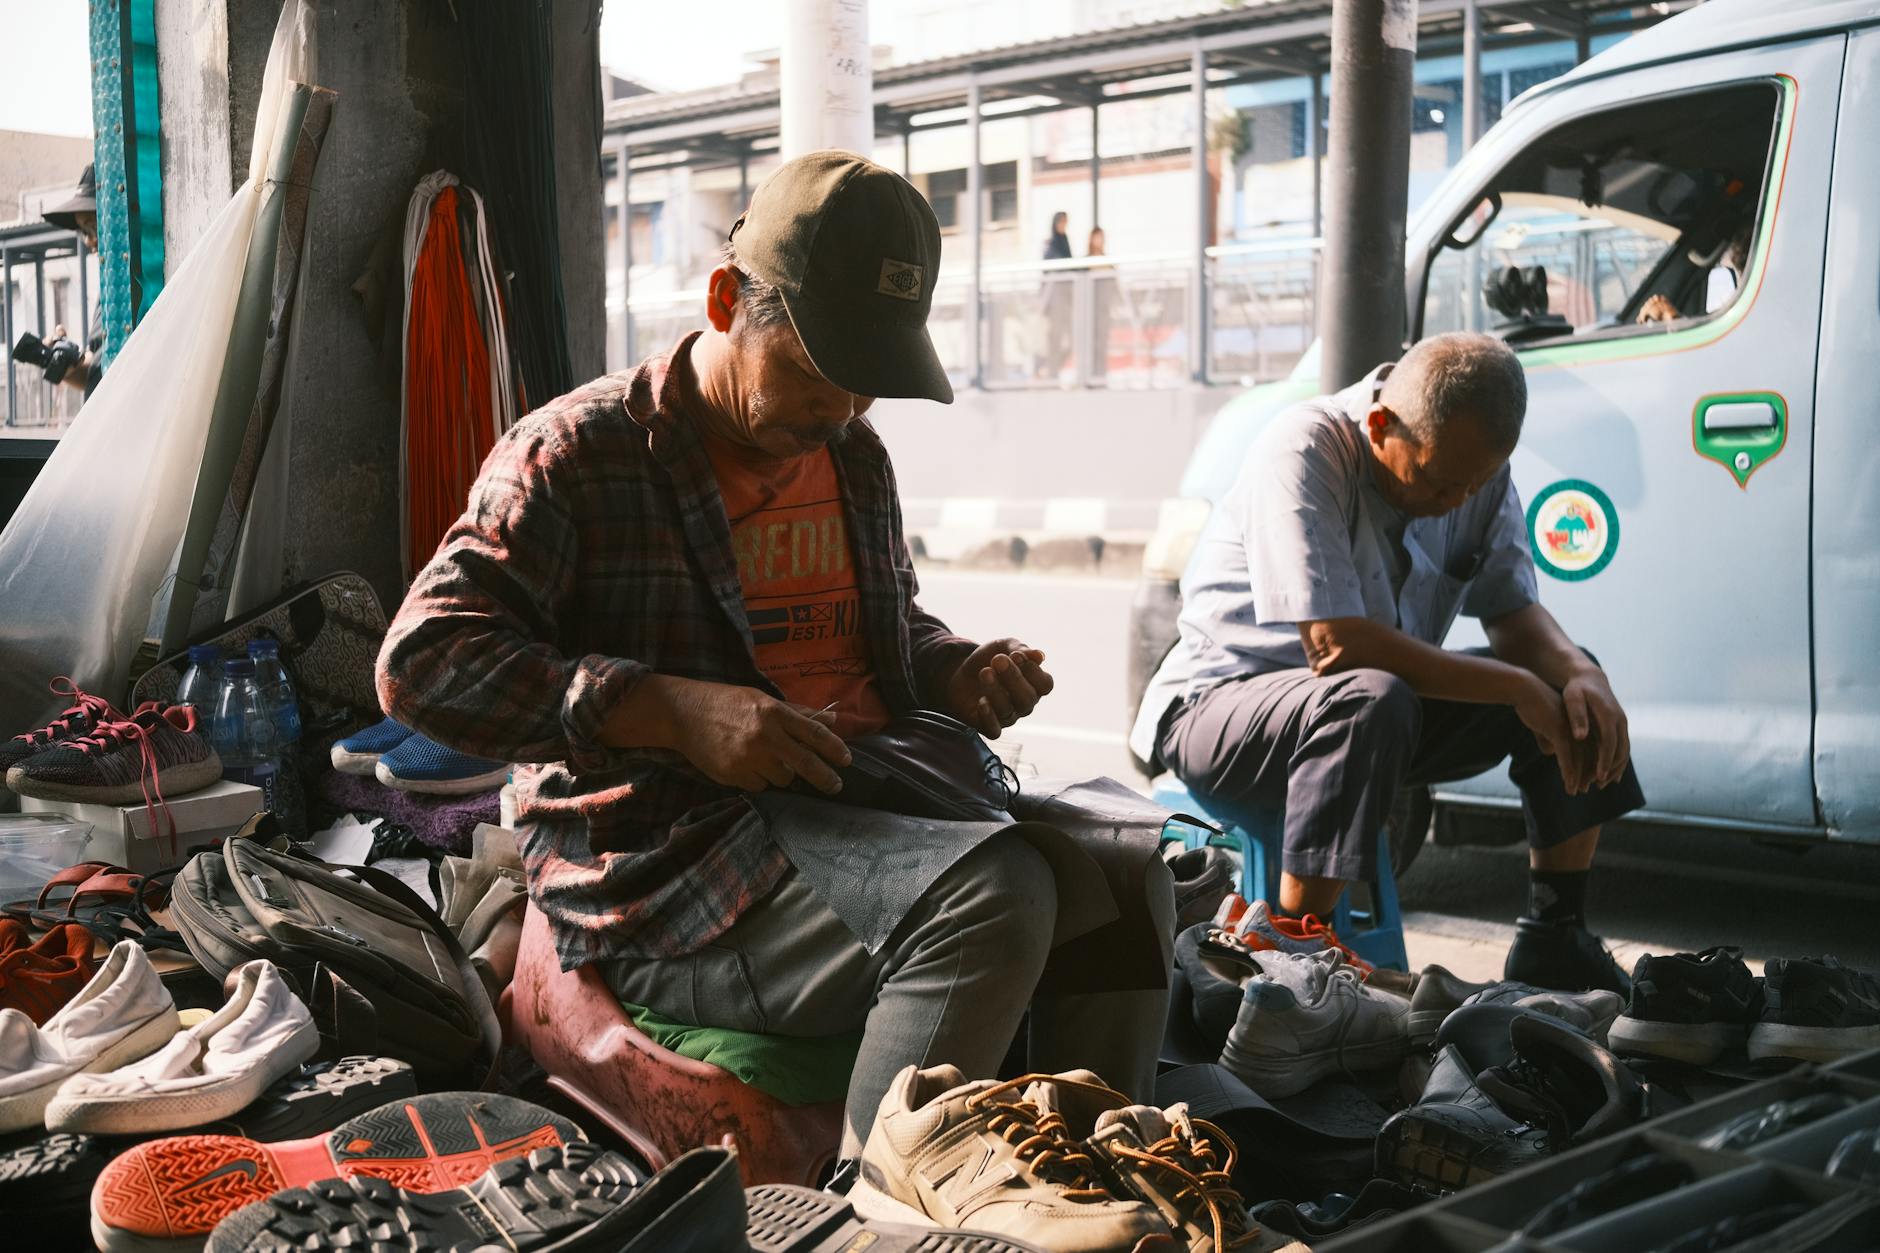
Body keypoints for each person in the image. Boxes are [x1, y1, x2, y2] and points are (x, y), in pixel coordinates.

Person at [379, 152, 1174, 1158]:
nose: (839, 413)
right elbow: (422, 662)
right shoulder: (576, 456)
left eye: (867, 388)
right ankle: (873, 1220)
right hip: (671, 869)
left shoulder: (848, 453)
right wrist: (667, 710)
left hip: (860, 808)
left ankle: (1097, 1176)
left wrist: (946, 667)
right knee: (994, 895)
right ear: (724, 300)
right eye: (814, 373)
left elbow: (877, 629)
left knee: (1130, 868)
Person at [1130, 332, 1644, 994]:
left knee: (1567, 687)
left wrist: (1579, 674)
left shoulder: (1473, 475)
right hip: (1220, 709)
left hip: (1368, 710)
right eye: (1435, 481)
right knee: (1372, 695)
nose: (1455, 501)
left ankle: (1556, 935)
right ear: (1381, 425)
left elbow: (1514, 613)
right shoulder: (1306, 446)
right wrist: (1517, 687)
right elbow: (1335, 645)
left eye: (1474, 484)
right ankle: (1292, 955)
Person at [40, 163, 105, 398]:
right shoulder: (107, 294)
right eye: (83, 232)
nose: (89, 241)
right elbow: (97, 374)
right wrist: (67, 367)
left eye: (92, 228)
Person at [1039, 210, 1074, 379]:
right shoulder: (1051, 245)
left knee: (1070, 341)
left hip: (1066, 300)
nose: (1063, 226)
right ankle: (1050, 372)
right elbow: (1049, 271)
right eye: (1061, 222)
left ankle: (1053, 369)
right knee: (1055, 339)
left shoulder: (1064, 242)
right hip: (1055, 301)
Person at [1087, 225, 1113, 382]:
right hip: (1090, 309)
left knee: (1102, 343)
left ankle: (1101, 375)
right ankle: (1091, 375)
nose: (1101, 240)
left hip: (1103, 309)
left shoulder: (1108, 261)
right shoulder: (1087, 261)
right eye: (1098, 237)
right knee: (1091, 343)